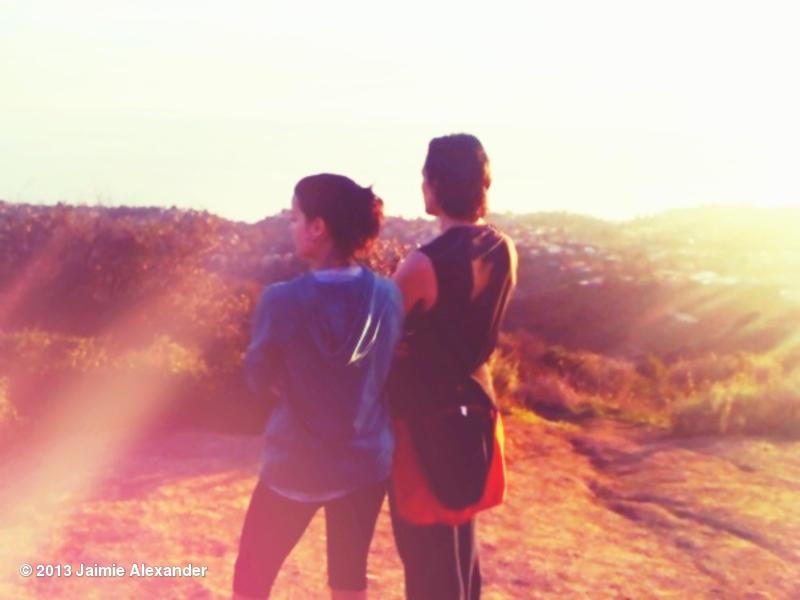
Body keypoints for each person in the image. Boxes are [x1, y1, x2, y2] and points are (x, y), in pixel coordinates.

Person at [233, 174, 404, 599]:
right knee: (348, 578)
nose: (291, 227)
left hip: (298, 461)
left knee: (252, 576)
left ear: (318, 227)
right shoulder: (388, 296)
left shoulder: (281, 300)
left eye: (295, 217)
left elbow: (256, 378)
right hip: (367, 461)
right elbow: (387, 370)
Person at [388, 134, 518, 599]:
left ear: (435, 185)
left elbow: (375, 340)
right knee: (464, 552)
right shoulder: (503, 249)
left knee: (427, 561)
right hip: (477, 414)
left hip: (423, 422)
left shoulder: (423, 265)